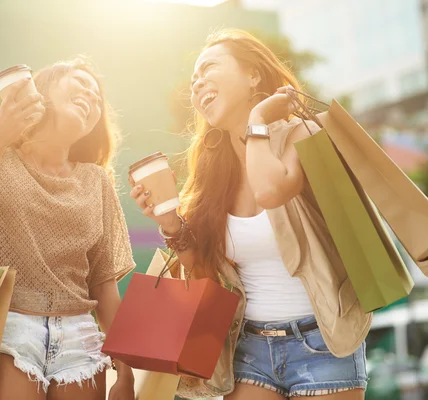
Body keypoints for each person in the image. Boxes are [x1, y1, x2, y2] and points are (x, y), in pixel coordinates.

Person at [130, 29, 371, 400]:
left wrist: (258, 118)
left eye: (209, 68)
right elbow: (203, 274)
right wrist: (169, 223)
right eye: (193, 81)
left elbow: (270, 190)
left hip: (323, 344)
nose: (197, 85)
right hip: (249, 352)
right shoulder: (212, 173)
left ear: (253, 75)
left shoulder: (302, 134)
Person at [0, 56, 135, 400]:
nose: (91, 96)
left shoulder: (97, 181)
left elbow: (104, 286)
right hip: (4, 328)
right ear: (42, 91)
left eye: (97, 97)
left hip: (80, 336)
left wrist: (126, 372)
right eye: (80, 83)